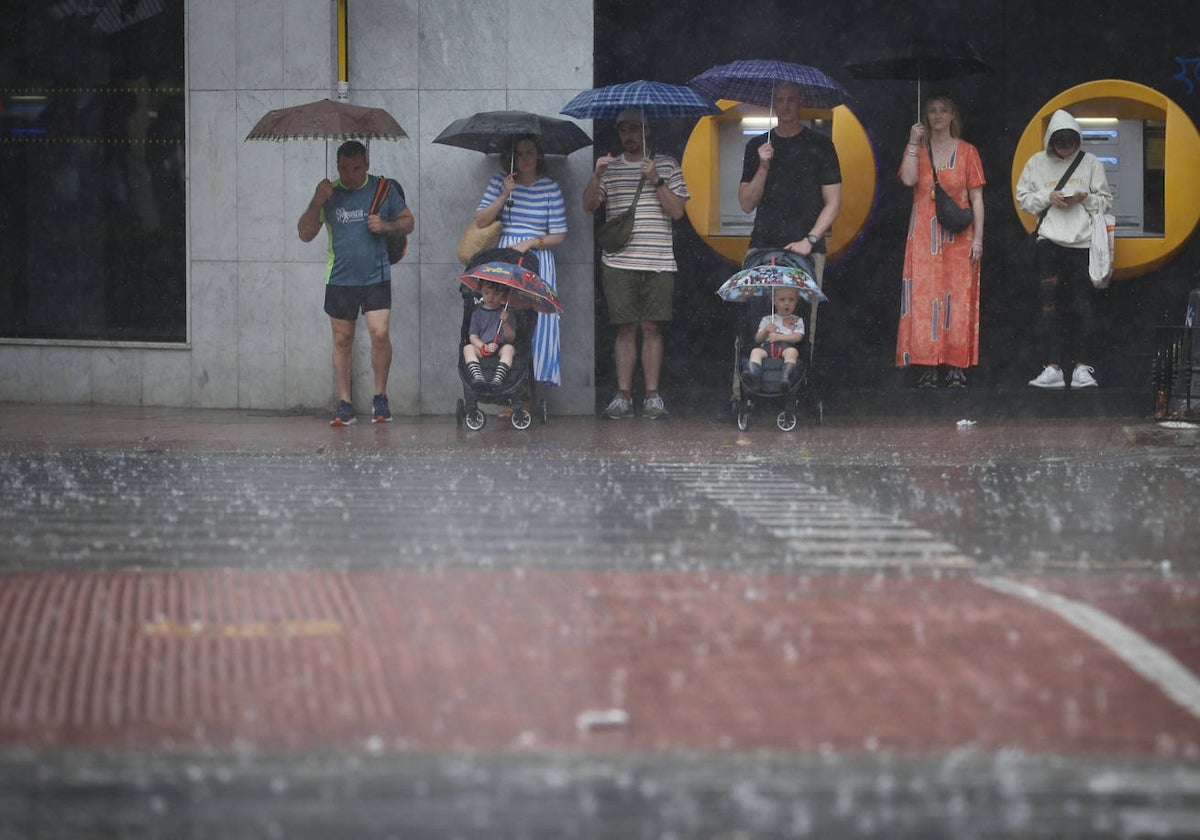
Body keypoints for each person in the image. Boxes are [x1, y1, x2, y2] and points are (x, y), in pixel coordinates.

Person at [297, 140, 415, 426]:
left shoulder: (382, 189)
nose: (350, 175)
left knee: (379, 333)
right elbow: (304, 233)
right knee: (341, 339)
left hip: (376, 275)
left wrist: (386, 226)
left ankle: (380, 398)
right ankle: (345, 403)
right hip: (340, 278)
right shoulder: (330, 193)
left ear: (367, 164)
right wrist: (316, 200)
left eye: (356, 168)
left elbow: (408, 222)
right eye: (344, 169)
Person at [583, 107, 689, 420]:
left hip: (657, 260)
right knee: (625, 328)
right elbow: (589, 206)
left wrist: (656, 179)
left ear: (647, 130)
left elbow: (678, 212)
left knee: (652, 328)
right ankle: (624, 396)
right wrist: (597, 175)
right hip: (618, 261)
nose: (628, 136)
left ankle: (652, 397)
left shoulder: (667, 164)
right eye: (623, 130)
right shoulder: (610, 166)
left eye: (634, 129)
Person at [738, 80, 842, 356]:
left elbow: (833, 203)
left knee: (805, 322)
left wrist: (810, 240)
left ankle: (800, 388)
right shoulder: (757, 145)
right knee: (754, 320)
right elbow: (746, 203)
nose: (785, 106)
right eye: (780, 101)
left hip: (806, 250)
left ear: (801, 103)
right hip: (762, 245)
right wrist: (763, 166)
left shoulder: (821, 145)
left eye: (791, 100)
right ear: (773, 105)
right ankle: (745, 391)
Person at [1016, 109, 1113, 389]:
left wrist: (1084, 199)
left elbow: (1106, 200)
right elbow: (1024, 199)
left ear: (1078, 140)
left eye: (1070, 142)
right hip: (1049, 242)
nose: (1065, 148)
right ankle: (1053, 366)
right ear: (1050, 141)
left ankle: (1082, 367)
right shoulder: (1036, 163)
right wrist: (1049, 197)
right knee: (1049, 307)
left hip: (1082, 243)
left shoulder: (1090, 162)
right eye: (1060, 142)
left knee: (1083, 305)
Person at [896, 93, 986, 389]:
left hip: (959, 237)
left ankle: (955, 366)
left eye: (943, 111)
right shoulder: (919, 149)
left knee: (956, 300)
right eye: (932, 111)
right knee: (924, 300)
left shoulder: (968, 151)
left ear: (952, 116)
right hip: (923, 235)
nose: (936, 116)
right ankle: (927, 366)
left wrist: (979, 240)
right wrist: (912, 141)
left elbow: (977, 198)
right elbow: (908, 181)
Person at [472, 136, 567, 393]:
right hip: (506, 257)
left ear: (539, 156)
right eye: (518, 153)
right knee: (506, 319)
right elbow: (480, 221)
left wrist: (531, 242)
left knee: (539, 321)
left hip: (538, 257)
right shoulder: (500, 182)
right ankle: (509, 386)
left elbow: (559, 234)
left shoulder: (550, 188)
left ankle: (534, 388)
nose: (524, 158)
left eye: (529, 152)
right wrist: (504, 194)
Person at [741, 286, 805, 390]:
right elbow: (757, 339)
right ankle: (753, 375)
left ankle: (785, 378)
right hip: (767, 347)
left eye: (791, 299)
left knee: (792, 352)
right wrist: (765, 330)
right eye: (782, 299)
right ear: (774, 301)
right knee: (755, 351)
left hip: (786, 347)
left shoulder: (797, 320)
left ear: (796, 301)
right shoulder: (767, 319)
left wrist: (780, 337)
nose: (787, 303)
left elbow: (798, 337)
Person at [462, 279, 517, 391]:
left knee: (509, 349)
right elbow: (473, 337)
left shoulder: (506, 313)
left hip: (500, 348)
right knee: (468, 348)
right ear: (481, 292)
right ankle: (478, 377)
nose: (491, 297)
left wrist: (505, 322)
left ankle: (498, 379)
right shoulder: (477, 314)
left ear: (503, 295)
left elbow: (511, 338)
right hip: (482, 348)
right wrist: (484, 346)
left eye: (496, 294)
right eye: (487, 293)